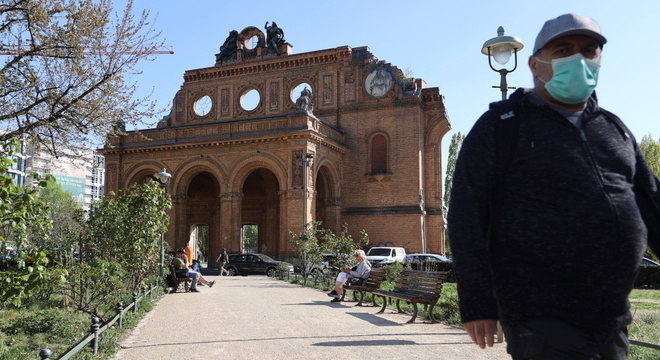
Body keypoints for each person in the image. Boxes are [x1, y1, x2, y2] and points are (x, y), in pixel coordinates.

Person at [448, 13, 659, 359]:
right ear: (535, 63)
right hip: (541, 317)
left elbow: (652, 205)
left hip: (610, 316)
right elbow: (466, 215)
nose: (578, 59)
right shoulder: (501, 127)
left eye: (589, 50)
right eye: (563, 49)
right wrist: (477, 302)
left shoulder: (613, 128)